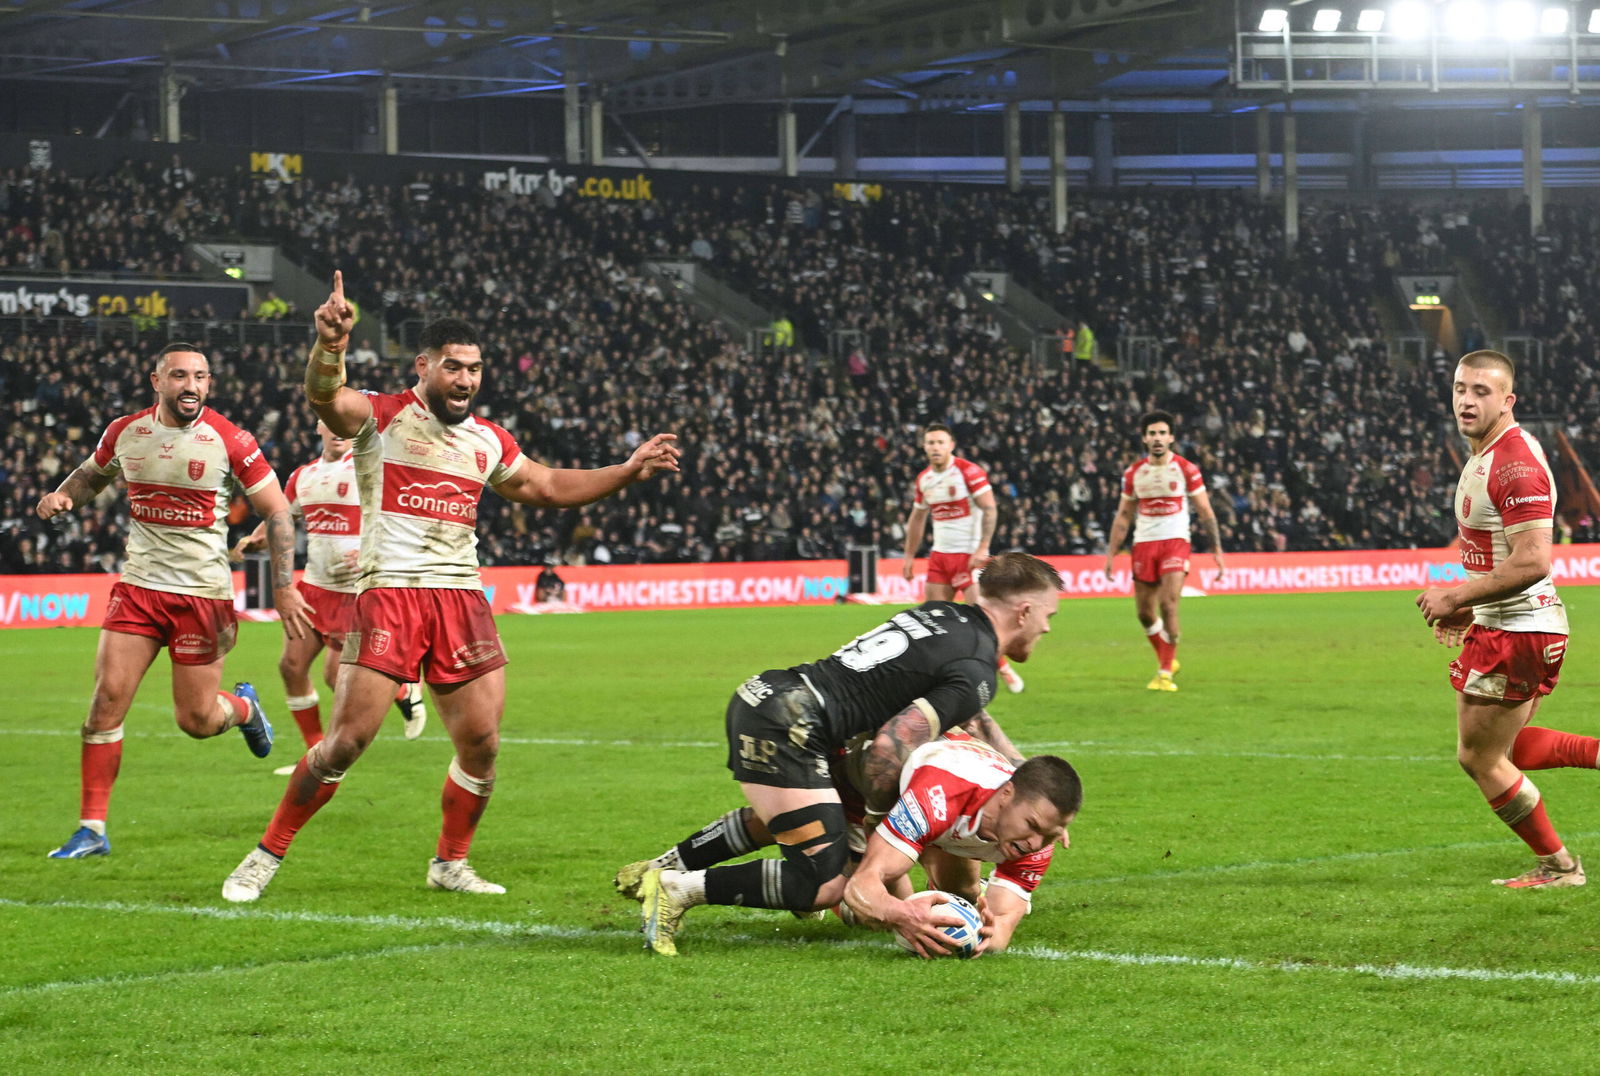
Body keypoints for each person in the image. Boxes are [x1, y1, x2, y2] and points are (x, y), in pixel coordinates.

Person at [221, 272, 681, 902]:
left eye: (475, 369)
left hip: (461, 598)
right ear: (424, 366)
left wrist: (626, 471)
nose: (466, 380)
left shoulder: (487, 439)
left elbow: (544, 487)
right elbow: (326, 399)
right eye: (454, 367)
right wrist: (330, 344)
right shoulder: (381, 417)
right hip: (390, 593)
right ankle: (266, 853)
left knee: (483, 745)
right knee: (347, 741)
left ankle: (450, 862)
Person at [614, 551, 1062, 956]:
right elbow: (889, 748)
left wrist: (1029, 783)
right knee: (824, 884)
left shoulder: (945, 616)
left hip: (780, 700)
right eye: (1048, 615)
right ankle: (676, 888)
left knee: (797, 826)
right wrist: (882, 832)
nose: (1046, 627)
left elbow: (967, 712)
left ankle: (656, 868)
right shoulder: (975, 666)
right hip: (791, 725)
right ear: (1024, 611)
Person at [34, 341, 313, 859]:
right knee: (104, 702)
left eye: (201, 377)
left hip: (200, 595)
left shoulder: (230, 439)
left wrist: (284, 586)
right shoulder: (126, 431)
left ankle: (245, 709)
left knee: (197, 721)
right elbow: (93, 473)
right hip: (139, 588)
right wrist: (66, 494)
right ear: (156, 381)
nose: (192, 386)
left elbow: (277, 512)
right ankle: (91, 830)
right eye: (181, 376)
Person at [1416, 350, 1591, 889]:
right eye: (1460, 388)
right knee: (1507, 750)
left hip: (1519, 631)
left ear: (1507, 400)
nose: (1467, 400)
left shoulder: (1513, 462)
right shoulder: (1486, 453)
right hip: (1513, 624)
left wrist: (1456, 596)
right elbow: (1506, 557)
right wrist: (1474, 607)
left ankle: (1560, 867)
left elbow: (1535, 559)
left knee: (1479, 757)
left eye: (1482, 391)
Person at [231, 420, 427, 776]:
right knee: (291, 667)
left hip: (357, 591)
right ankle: (314, 755)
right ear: (318, 426)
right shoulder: (303, 476)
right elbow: (281, 516)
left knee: (338, 677)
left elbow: (401, 513)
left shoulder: (371, 467)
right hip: (316, 588)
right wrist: (256, 538)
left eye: (344, 424)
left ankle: (403, 692)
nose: (338, 429)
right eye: (330, 423)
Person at [843, 736, 1080, 956]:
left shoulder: (1036, 844)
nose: (1035, 843)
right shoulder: (938, 800)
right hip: (872, 776)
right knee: (838, 894)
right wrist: (899, 914)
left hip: (954, 800)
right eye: (1032, 825)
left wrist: (985, 932)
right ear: (1006, 794)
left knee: (964, 894)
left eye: (1050, 835)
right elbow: (863, 883)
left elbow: (1001, 931)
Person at [1102, 410, 1226, 692]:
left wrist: (1216, 550)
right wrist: (1111, 554)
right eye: (1152, 434)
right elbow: (1123, 516)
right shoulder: (1134, 473)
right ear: (1144, 438)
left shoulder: (1186, 469)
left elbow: (1205, 511)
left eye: (1162, 433)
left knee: (1168, 605)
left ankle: (1164, 672)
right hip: (1144, 543)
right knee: (1145, 613)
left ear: (1171, 437)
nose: (1157, 438)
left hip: (1175, 541)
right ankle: (1167, 657)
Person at [900, 423, 1025, 694]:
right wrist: (909, 556)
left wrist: (983, 547)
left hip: (969, 557)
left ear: (951, 445)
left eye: (940, 442)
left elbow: (990, 510)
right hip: (940, 557)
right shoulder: (924, 479)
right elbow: (917, 519)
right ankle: (936, 677)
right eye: (930, 442)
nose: (935, 447)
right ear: (924, 446)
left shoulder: (969, 472)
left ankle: (1002, 667)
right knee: (932, 619)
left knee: (981, 620)